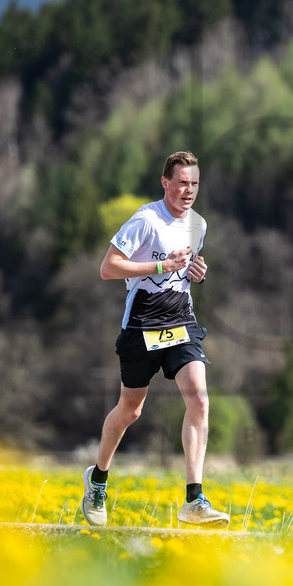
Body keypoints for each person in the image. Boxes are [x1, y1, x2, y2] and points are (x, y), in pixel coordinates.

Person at [81, 151, 229, 528]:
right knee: (131, 411)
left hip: (181, 321)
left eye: (194, 184)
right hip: (141, 325)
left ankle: (194, 499)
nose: (188, 190)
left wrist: (196, 272)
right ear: (165, 182)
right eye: (181, 182)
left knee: (198, 396)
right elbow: (108, 268)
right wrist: (162, 265)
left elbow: (186, 270)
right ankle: (97, 479)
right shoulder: (146, 220)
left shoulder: (199, 225)